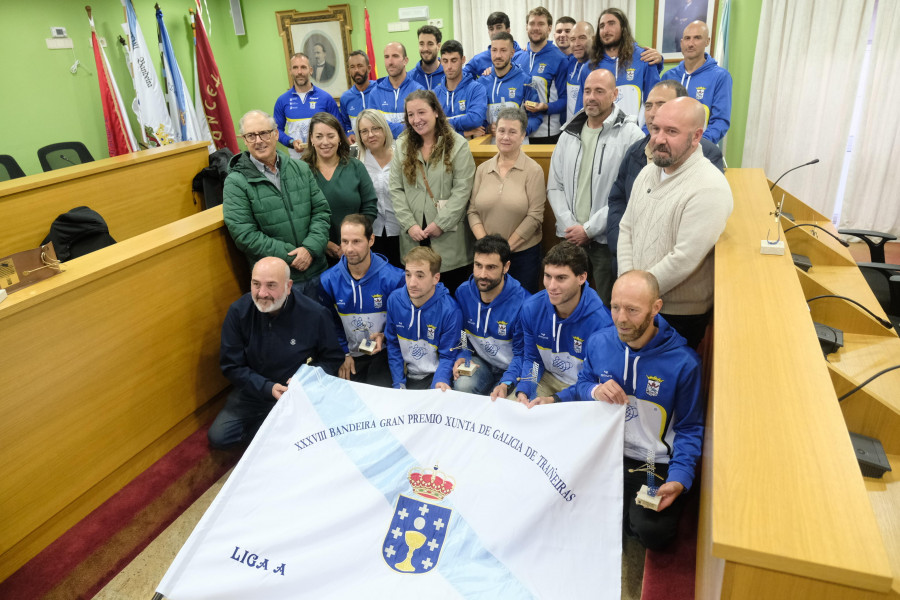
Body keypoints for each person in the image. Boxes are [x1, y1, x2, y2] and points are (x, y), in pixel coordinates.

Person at [530, 270, 703, 551]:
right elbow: (583, 384)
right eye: (615, 307)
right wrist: (572, 396)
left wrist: (679, 478)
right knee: (550, 495)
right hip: (604, 450)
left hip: (651, 462)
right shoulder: (600, 341)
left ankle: (619, 510)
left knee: (652, 531)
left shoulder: (684, 364)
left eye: (633, 310)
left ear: (655, 308)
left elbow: (690, 428)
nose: (621, 319)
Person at [618, 97, 733, 348]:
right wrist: (629, 285)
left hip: (677, 316)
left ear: (696, 136)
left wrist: (636, 293)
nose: (659, 139)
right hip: (636, 303)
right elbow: (627, 228)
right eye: (656, 128)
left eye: (672, 132)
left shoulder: (709, 186)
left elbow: (684, 257)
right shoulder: (649, 171)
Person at [209, 257, 343, 448]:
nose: (262, 293)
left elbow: (332, 358)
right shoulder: (238, 311)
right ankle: (265, 429)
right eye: (256, 284)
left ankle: (268, 432)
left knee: (305, 442)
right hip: (253, 391)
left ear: (289, 286)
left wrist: (305, 379)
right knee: (219, 437)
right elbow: (231, 366)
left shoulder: (316, 314)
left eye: (271, 285)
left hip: (297, 393)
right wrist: (266, 388)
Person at [547, 68, 643, 304]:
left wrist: (589, 229)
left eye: (599, 91)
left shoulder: (631, 135)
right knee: (568, 303)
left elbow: (628, 196)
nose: (591, 97)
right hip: (569, 238)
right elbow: (554, 186)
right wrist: (571, 225)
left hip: (604, 241)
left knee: (604, 305)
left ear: (614, 94)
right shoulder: (569, 134)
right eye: (587, 91)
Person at [607, 80, 725, 266]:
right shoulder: (636, 152)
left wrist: (641, 285)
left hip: (669, 282)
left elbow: (688, 251)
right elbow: (618, 201)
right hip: (626, 266)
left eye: (661, 105)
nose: (653, 113)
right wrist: (621, 253)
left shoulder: (709, 162)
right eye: (648, 106)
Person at [224, 110, 332, 298]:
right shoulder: (235, 182)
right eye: (251, 135)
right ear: (244, 140)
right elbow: (244, 234)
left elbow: (321, 212)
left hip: (317, 270)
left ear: (275, 134)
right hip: (277, 280)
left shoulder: (301, 168)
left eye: (264, 133)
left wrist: (309, 249)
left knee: (326, 325)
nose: (258, 140)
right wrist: (291, 256)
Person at [389, 90, 476, 292]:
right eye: (411, 115)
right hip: (414, 238)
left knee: (452, 299)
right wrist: (409, 224)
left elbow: (463, 190)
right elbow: (396, 189)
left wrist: (441, 223)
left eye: (422, 112)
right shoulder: (401, 145)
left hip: (448, 240)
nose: (416, 120)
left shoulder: (458, 145)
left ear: (435, 111)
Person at [514, 242, 612, 404]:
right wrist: (525, 388)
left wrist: (555, 400)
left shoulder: (602, 324)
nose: (551, 286)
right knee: (515, 411)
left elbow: (595, 381)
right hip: (546, 378)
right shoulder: (531, 308)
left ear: (582, 277)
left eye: (561, 278)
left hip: (583, 390)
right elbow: (533, 359)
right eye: (548, 276)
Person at [319, 215, 405, 387]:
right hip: (349, 354)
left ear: (371, 240)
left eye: (356, 241)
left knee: (379, 397)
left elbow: (402, 321)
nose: (349, 249)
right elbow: (329, 323)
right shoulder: (328, 280)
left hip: (385, 352)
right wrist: (344, 353)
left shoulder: (395, 278)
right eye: (345, 241)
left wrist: (385, 336)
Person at [468, 106, 545, 293]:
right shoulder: (483, 169)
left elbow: (535, 217)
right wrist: (488, 248)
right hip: (486, 258)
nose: (505, 137)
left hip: (522, 257)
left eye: (512, 132)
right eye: (501, 131)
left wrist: (503, 250)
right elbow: (472, 211)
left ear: (522, 135)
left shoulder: (533, 170)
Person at [453, 235, 529, 397]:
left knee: (510, 407)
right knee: (463, 385)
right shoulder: (463, 292)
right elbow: (461, 334)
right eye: (478, 265)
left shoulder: (524, 304)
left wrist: (507, 383)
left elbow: (524, 355)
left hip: (514, 369)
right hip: (481, 363)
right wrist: (464, 354)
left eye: (491, 267)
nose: (482, 274)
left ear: (506, 267)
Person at [301, 112, 377, 262]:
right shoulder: (301, 170)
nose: (325, 142)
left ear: (339, 138)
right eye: (319, 136)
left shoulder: (355, 167)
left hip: (356, 252)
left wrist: (350, 243)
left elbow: (370, 207)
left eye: (331, 136)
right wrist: (323, 243)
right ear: (311, 139)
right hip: (316, 253)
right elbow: (299, 215)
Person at [385, 246, 463, 390]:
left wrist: (437, 384)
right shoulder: (394, 300)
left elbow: (448, 356)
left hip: (435, 376)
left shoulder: (450, 310)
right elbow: (393, 344)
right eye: (408, 275)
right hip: (407, 374)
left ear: (436, 278)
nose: (412, 283)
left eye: (420, 276)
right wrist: (398, 384)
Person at [661, 20, 733, 143]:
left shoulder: (720, 77)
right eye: (687, 38)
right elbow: (659, 114)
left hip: (700, 151)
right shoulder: (668, 76)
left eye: (697, 38)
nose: (691, 43)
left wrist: (699, 145)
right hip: (668, 148)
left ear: (707, 41)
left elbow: (720, 121)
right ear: (681, 42)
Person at [589, 8, 663, 125]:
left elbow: (656, 104)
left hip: (637, 136)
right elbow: (582, 109)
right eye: (602, 26)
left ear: (623, 28)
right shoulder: (590, 65)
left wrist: (645, 133)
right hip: (601, 136)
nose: (606, 30)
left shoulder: (644, 58)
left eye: (611, 24)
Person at [514, 7, 569, 144]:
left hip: (548, 135)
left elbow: (565, 99)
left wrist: (545, 107)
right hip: (518, 134)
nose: (536, 28)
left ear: (549, 28)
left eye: (541, 24)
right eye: (532, 23)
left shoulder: (560, 59)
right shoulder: (517, 58)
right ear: (526, 27)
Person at [355, 109, 402, 267]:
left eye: (376, 128)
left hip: (402, 231)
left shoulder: (401, 156)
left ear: (385, 129)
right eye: (364, 131)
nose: (370, 135)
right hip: (372, 233)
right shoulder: (357, 161)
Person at [273, 53, 342, 158]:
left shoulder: (326, 98)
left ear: (310, 70)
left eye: (303, 67)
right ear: (290, 71)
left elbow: (339, 128)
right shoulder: (282, 101)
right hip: (297, 160)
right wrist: (291, 142)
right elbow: (276, 130)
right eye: (295, 68)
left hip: (324, 158)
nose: (299, 72)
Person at [479, 32, 542, 140]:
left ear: (512, 53)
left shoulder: (526, 81)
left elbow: (536, 117)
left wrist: (519, 131)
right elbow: (478, 118)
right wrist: (488, 128)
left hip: (519, 147)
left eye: (503, 50)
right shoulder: (481, 83)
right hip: (489, 148)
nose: (498, 55)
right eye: (494, 50)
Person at [433, 40, 489, 140]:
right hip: (442, 152)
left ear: (463, 60)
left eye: (454, 60)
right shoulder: (434, 94)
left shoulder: (477, 89)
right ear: (441, 61)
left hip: (471, 152)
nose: (449, 66)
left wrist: (442, 122)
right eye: (445, 61)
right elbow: (431, 128)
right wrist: (463, 133)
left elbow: (475, 120)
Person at [370, 42, 425, 138]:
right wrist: (405, 128)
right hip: (384, 151)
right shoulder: (375, 93)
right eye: (386, 57)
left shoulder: (418, 91)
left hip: (412, 149)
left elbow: (421, 125)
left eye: (395, 56)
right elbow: (372, 125)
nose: (390, 62)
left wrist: (384, 127)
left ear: (405, 60)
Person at [463, 11, 525, 79]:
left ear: (508, 30)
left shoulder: (524, 56)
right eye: (491, 29)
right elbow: (460, 78)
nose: (495, 32)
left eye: (499, 27)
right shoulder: (479, 60)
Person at [339, 50, 377, 142]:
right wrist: (349, 133)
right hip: (358, 148)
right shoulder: (345, 97)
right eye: (352, 67)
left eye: (360, 66)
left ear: (368, 68)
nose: (356, 70)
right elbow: (346, 124)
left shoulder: (379, 90)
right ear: (349, 71)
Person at [565, 21, 594, 124]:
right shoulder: (569, 62)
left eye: (582, 38)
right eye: (572, 39)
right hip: (570, 130)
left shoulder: (600, 68)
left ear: (594, 39)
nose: (576, 44)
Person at [408, 25, 445, 90]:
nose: (425, 49)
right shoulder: (410, 78)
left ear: (438, 46)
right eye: (421, 44)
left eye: (430, 44)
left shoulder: (448, 74)